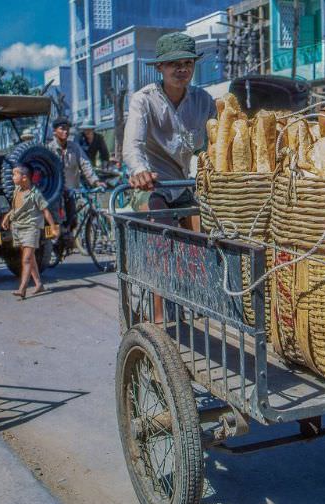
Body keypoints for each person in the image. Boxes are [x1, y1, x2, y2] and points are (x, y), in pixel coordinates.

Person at [123, 32, 216, 323]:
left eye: (187, 63)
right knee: (161, 244)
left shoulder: (204, 101)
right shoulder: (144, 100)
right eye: (173, 63)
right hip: (152, 183)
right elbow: (133, 145)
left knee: (204, 240)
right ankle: (160, 320)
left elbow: (213, 146)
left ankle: (202, 305)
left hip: (184, 182)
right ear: (160, 68)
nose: (182, 69)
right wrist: (139, 170)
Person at [1, 165, 59, 299]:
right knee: (30, 257)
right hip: (18, 228)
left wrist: (53, 227)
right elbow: (15, 208)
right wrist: (7, 217)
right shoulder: (17, 190)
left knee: (26, 259)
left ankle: (22, 289)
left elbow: (45, 211)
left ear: (24, 178)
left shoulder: (35, 194)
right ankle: (39, 284)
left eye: (15, 174)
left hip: (31, 228)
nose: (12, 177)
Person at [47, 117, 106, 231]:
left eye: (67, 129)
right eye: (62, 128)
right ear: (54, 131)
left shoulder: (74, 147)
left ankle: (69, 239)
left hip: (71, 191)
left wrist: (96, 181)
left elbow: (85, 164)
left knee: (73, 221)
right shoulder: (49, 149)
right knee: (56, 223)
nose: (66, 131)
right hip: (55, 194)